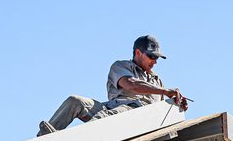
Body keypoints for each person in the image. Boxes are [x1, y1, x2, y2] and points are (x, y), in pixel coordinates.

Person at [37, 34, 189, 135]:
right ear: (138, 53)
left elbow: (162, 111)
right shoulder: (121, 66)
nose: (154, 61)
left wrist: (176, 104)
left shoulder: (156, 81)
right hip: (111, 107)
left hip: (132, 115)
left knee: (113, 114)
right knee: (75, 101)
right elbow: (131, 84)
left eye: (157, 58)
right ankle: (46, 139)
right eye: (151, 56)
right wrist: (165, 91)